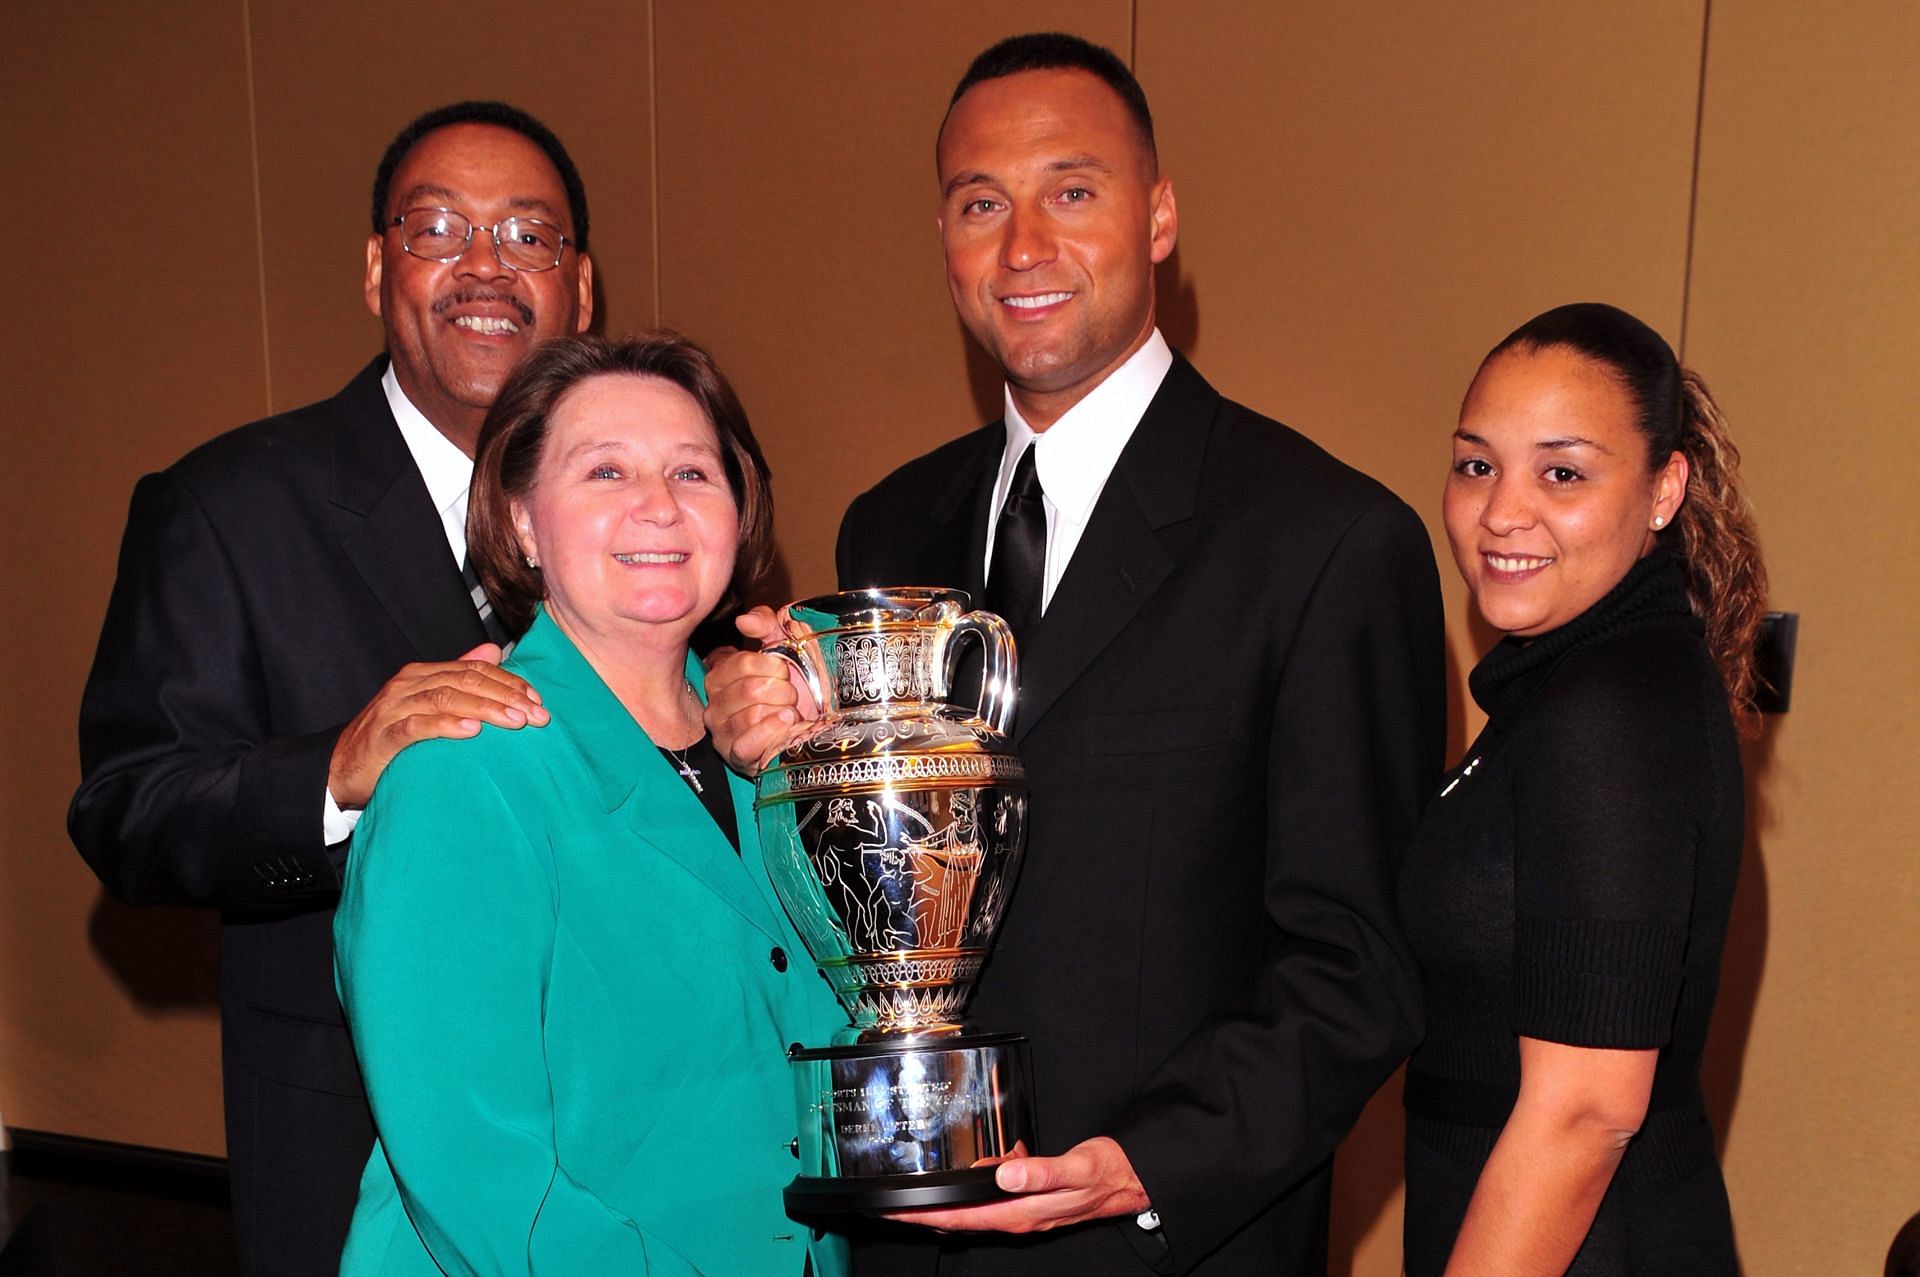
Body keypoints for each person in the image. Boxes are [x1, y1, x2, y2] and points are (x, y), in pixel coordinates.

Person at [706, 33, 1445, 1275]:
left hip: (1167, 1239)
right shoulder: (889, 528)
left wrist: (1145, 1163)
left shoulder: (1326, 540)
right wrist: (762, 741)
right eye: (979, 203)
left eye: (1073, 191)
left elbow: (1358, 966)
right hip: (906, 1233)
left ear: (1158, 216)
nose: (1023, 246)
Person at [67, 101, 591, 1274]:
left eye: (528, 235)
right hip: (361, 1156)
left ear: (580, 289)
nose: (483, 267)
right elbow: (128, 811)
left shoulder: (647, 510)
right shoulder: (229, 505)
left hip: (619, 1151)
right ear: (374, 268)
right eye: (438, 227)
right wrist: (335, 774)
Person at [332, 332, 847, 1276]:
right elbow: (479, 1175)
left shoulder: (780, 761)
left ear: (738, 513)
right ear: (524, 521)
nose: (658, 505)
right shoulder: (460, 776)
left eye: (694, 471)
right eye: (605, 470)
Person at [1398, 302, 1765, 1275]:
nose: (1502, 511)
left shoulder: (1612, 708)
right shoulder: (1578, 683)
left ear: (1663, 489)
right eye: (1478, 463)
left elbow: (1587, 1110)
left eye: (1562, 472)